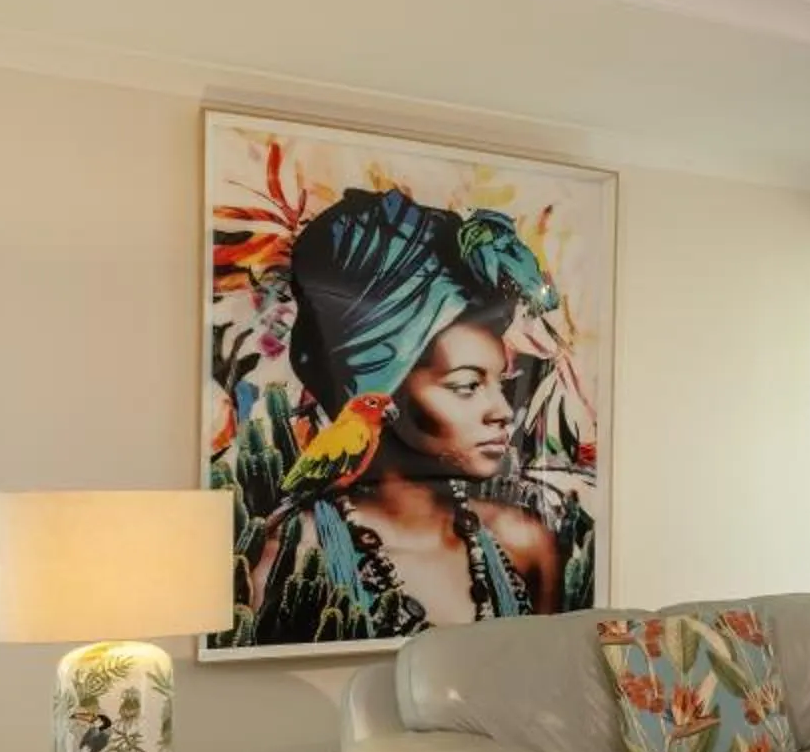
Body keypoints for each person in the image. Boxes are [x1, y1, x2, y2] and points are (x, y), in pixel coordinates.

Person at [235, 187, 571, 642]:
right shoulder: (285, 563)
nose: (502, 412)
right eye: (466, 385)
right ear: (381, 390)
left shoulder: (524, 544)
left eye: (502, 384)